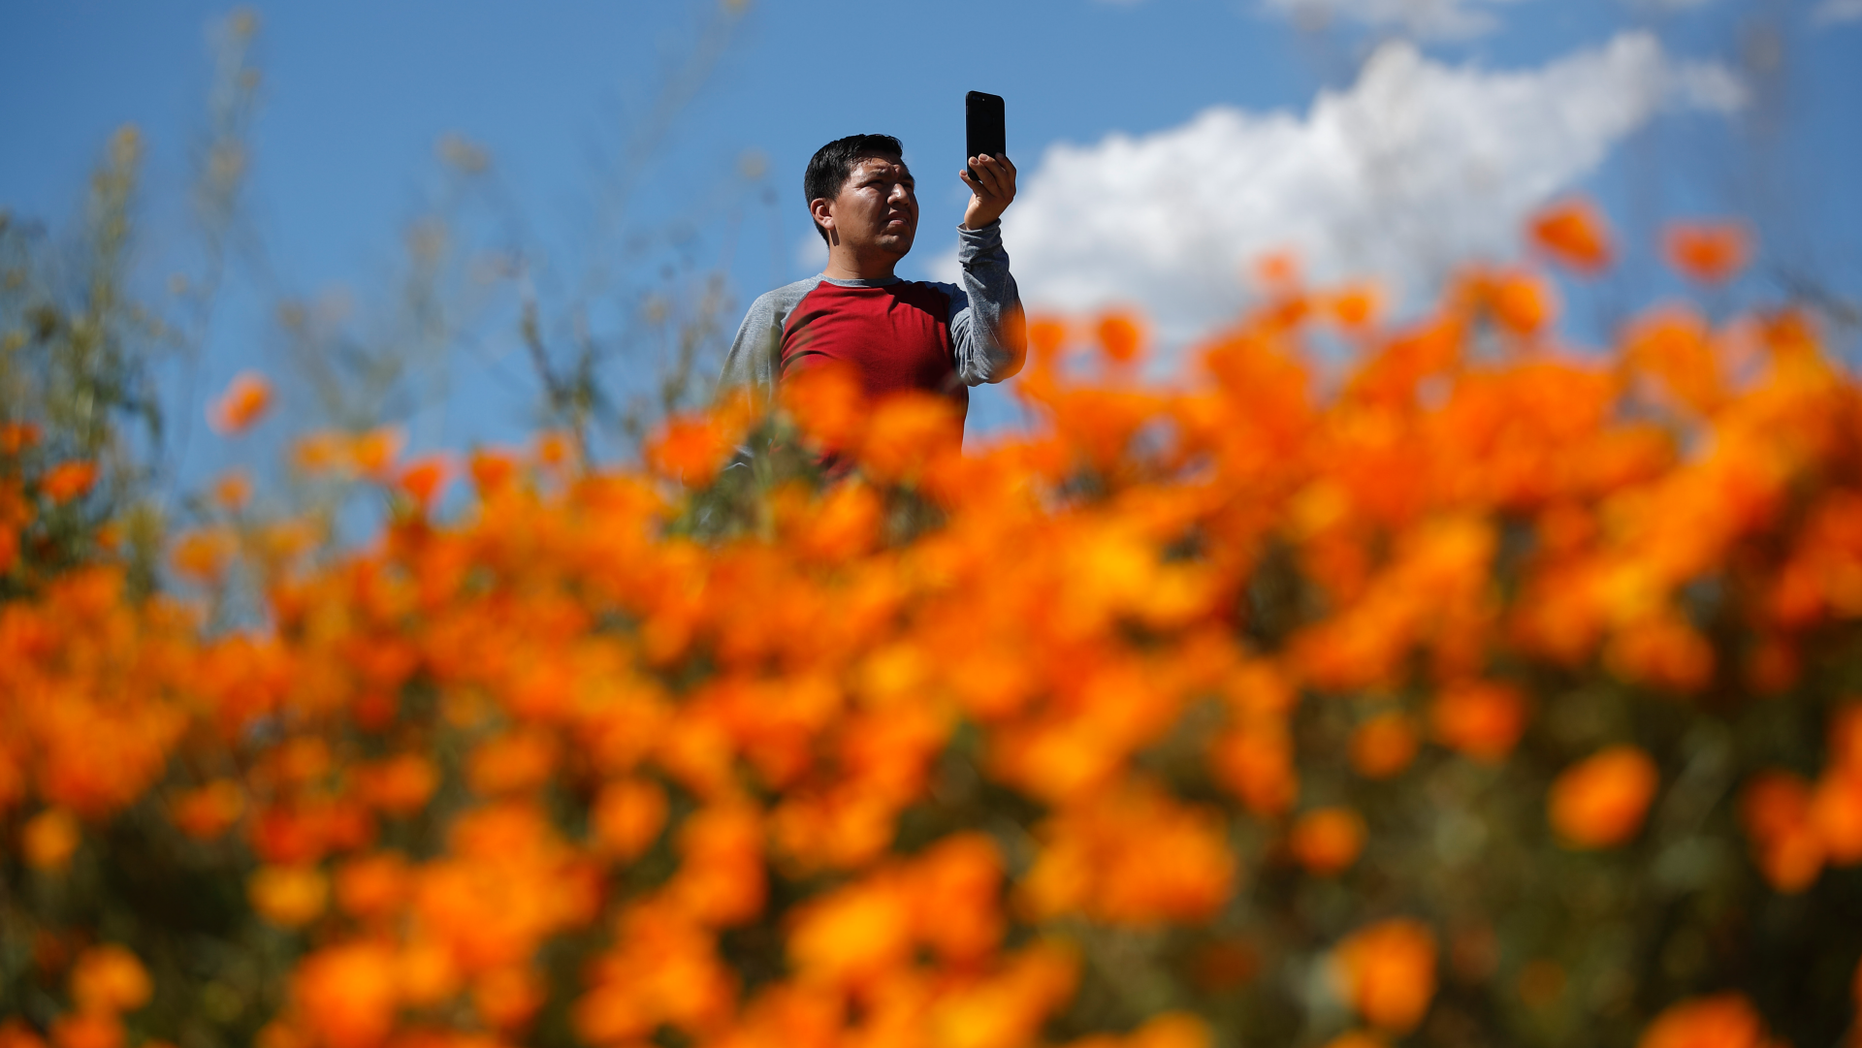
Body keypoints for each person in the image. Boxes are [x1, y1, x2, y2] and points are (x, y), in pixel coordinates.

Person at [718, 133, 1025, 430]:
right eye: (877, 183)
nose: (902, 196)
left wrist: (981, 231)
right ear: (825, 212)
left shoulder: (944, 305)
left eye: (907, 185)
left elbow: (999, 358)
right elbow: (732, 445)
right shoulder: (779, 311)